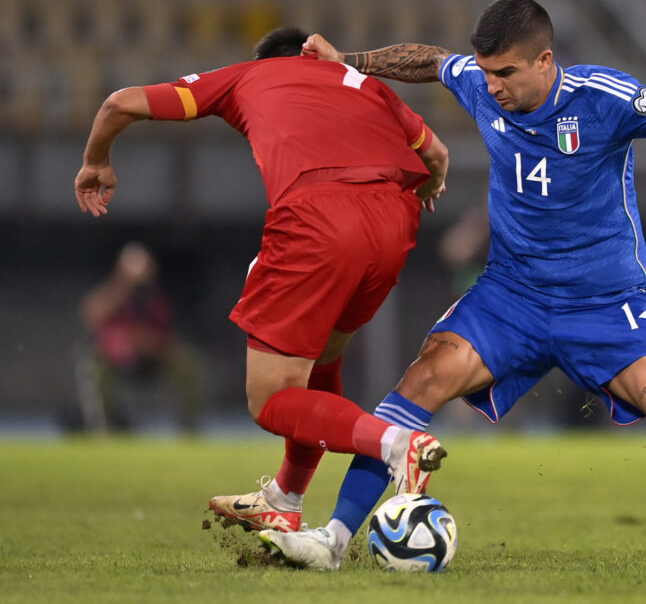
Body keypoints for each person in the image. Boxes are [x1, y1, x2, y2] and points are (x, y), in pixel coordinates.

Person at [240, 0, 646, 571]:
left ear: (546, 61)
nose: (492, 87)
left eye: (506, 74)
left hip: (606, 303)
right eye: (486, 73)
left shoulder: (606, 99)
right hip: (511, 295)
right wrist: (345, 60)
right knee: (421, 381)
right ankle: (331, 541)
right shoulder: (484, 85)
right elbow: (432, 61)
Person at [74, 27, 451, 555]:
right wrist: (432, 185)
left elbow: (120, 103)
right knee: (318, 364)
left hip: (319, 217)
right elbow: (436, 154)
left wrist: (97, 160)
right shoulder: (362, 83)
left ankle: (395, 445)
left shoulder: (249, 75)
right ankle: (285, 498)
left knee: (271, 398)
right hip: (392, 222)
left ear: (268, 61)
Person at [76, 241, 204, 433]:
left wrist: (148, 343)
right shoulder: (112, 294)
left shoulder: (156, 299)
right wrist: (123, 287)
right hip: (116, 360)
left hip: (151, 359)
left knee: (187, 363)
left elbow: (166, 335)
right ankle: (103, 431)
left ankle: (189, 429)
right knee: (93, 367)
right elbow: (91, 316)